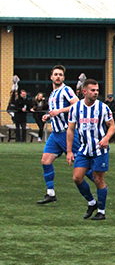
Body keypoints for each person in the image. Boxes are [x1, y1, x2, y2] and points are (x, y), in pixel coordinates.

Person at [37, 65, 92, 205]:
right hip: (55, 134)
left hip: (67, 133)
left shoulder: (66, 90)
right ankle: (50, 194)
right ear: (51, 77)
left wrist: (60, 111)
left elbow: (77, 104)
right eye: (55, 74)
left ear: (63, 77)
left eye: (60, 75)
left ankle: (99, 182)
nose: (58, 77)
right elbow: (55, 111)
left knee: (81, 164)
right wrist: (48, 116)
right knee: (45, 161)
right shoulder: (52, 94)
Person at [66, 79, 115, 220]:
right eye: (92, 90)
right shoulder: (75, 108)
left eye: (97, 90)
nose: (95, 93)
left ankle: (101, 211)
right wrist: (69, 151)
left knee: (98, 179)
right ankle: (91, 202)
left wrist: (106, 138)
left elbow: (112, 126)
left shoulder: (103, 108)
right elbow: (70, 130)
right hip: (84, 149)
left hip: (100, 150)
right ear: (84, 91)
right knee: (77, 178)